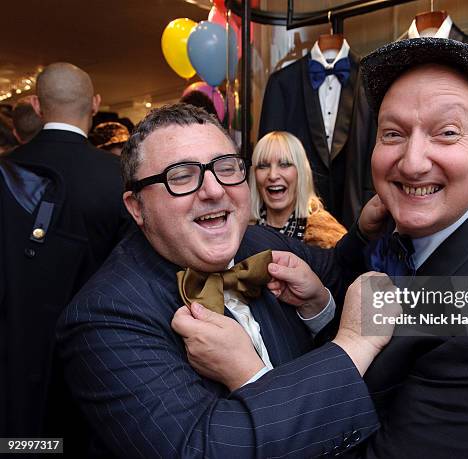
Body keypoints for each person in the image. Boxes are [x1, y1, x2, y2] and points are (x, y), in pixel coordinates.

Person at [183, 38, 468, 458]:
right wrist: (322, 310)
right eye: (393, 133)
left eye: (446, 133)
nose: (412, 161)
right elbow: (379, 365)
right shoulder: (404, 237)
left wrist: (251, 376)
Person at [57, 103, 395, 458]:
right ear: (137, 207)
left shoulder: (263, 242)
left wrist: (323, 301)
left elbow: (350, 280)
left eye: (226, 167)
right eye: (182, 176)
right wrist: (353, 346)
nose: (214, 190)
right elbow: (201, 449)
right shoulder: (103, 318)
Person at [2, 62, 132, 452]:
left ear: (37, 107)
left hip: (16, 361)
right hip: (101, 360)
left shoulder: (8, 172)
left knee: (25, 445)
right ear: (95, 104)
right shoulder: (119, 176)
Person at [251, 130, 347, 248]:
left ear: (300, 172)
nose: (273, 175)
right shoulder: (241, 229)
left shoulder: (326, 235)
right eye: (263, 166)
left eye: (284, 164)